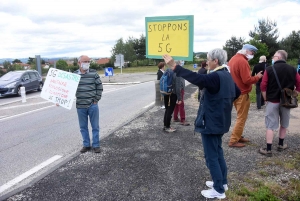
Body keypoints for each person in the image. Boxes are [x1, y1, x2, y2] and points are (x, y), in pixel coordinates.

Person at [163, 48, 241, 199]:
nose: (207, 62)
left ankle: (218, 190)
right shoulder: (227, 75)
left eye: (208, 59)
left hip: (211, 122)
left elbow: (198, 79)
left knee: (211, 156)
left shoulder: (216, 76)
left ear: (215, 61)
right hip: (221, 121)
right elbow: (236, 92)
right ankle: (222, 182)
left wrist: (175, 67)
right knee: (218, 152)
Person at [259, 50, 300, 156]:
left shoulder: (269, 69)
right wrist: (294, 93)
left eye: (274, 56)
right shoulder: (292, 69)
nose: (272, 58)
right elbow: (299, 83)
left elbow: (263, 86)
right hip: (287, 100)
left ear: (278, 57)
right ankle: (281, 145)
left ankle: (268, 149)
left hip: (272, 100)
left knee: (270, 125)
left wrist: (265, 98)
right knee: (284, 123)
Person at [228, 44, 263, 148]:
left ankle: (238, 136)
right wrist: (257, 77)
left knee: (240, 116)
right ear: (247, 51)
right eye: (252, 52)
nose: (253, 54)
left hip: (234, 91)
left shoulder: (233, 59)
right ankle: (234, 140)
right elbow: (247, 80)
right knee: (241, 118)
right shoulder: (243, 61)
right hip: (242, 93)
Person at [74, 55, 103, 153]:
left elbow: (99, 87)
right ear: (79, 63)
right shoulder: (74, 76)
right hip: (80, 106)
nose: (87, 63)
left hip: (92, 105)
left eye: (88, 61)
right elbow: (68, 90)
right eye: (84, 61)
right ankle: (86, 145)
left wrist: (96, 99)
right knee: (83, 127)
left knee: (95, 126)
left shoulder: (94, 74)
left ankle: (96, 145)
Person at [163, 68, 182, 133]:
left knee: (167, 109)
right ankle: (168, 127)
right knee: (170, 110)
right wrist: (179, 98)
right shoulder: (177, 73)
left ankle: (165, 125)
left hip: (166, 92)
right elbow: (177, 87)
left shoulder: (167, 70)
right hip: (173, 94)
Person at [173, 61, 190, 126]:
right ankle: (182, 120)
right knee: (181, 104)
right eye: (181, 62)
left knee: (176, 104)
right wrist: (179, 95)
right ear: (179, 63)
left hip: (176, 90)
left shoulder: (174, 70)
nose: (182, 63)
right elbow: (178, 84)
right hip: (179, 90)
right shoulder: (178, 71)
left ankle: (175, 117)